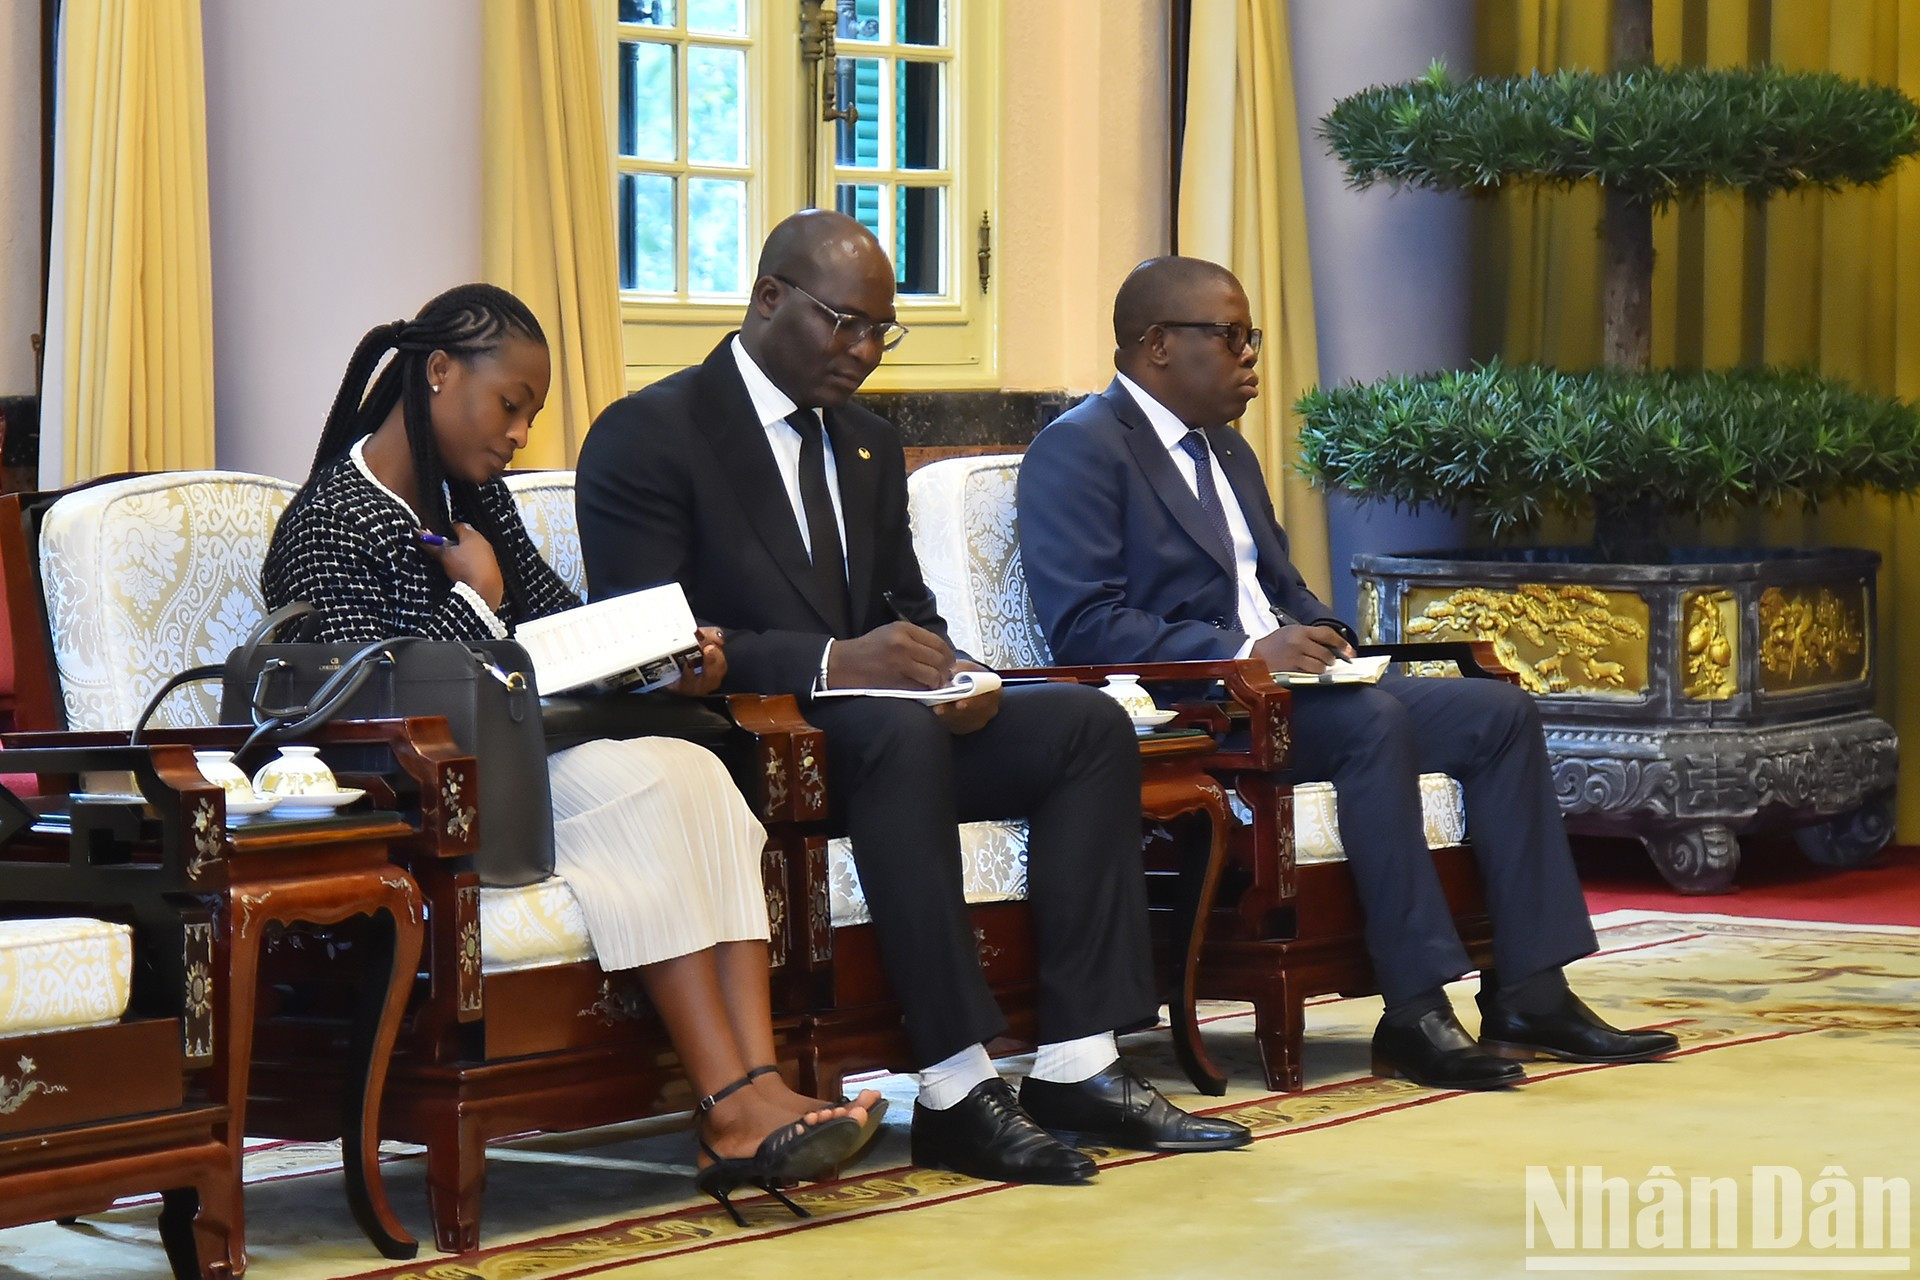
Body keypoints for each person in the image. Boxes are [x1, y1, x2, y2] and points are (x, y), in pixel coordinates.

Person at [575, 211, 1251, 1186]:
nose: (861, 351)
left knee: (1084, 727)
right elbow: (652, 644)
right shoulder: (652, 431)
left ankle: (1077, 1061)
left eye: (879, 332)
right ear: (768, 298)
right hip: (738, 742)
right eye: (842, 323)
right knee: (893, 730)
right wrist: (839, 661)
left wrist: (963, 676)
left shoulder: (864, 441)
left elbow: (909, 613)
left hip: (882, 730)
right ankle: (954, 1083)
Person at [261, 283, 880, 1220]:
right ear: (437, 373)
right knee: (649, 787)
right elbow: (383, 692)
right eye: (511, 406)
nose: (518, 434)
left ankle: (759, 1081)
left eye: (531, 415)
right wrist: (477, 597)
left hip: (532, 753)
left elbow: (552, 620)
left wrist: (661, 655)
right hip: (445, 789)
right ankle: (724, 1110)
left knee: (702, 774)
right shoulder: (329, 522)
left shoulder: (473, 497)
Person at [1017, 256, 1680, 1091]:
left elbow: (1280, 587)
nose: (1250, 355)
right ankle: (1414, 1010)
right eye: (1230, 337)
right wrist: (1246, 652)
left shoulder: (1226, 450)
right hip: (1204, 707)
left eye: (1248, 335)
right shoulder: (1079, 450)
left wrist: (1323, 633)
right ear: (1155, 344)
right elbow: (1085, 625)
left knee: (1496, 713)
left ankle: (1531, 991)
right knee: (1375, 723)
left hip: (1297, 690)